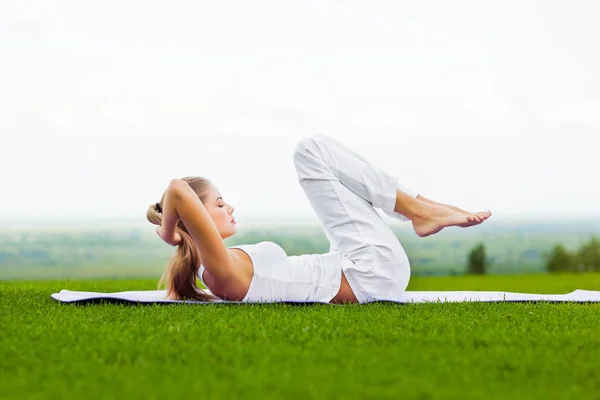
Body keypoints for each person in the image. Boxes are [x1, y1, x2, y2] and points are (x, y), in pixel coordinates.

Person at [147, 134, 491, 304]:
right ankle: (419, 211)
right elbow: (177, 189)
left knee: (339, 176)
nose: (230, 208)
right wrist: (169, 233)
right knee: (310, 151)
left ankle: (420, 207)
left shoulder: (217, 272)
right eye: (220, 204)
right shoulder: (218, 271)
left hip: (354, 267)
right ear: (194, 220)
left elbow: (179, 195)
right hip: (371, 272)